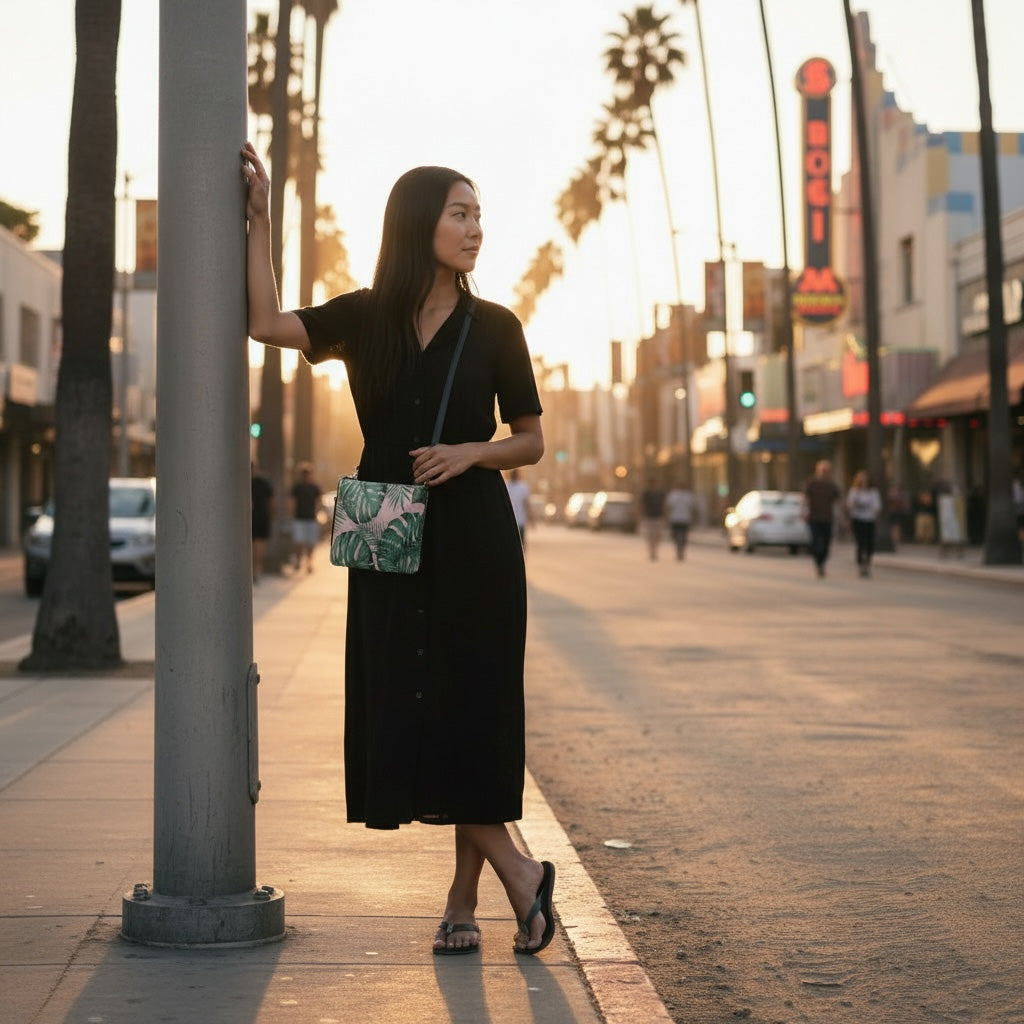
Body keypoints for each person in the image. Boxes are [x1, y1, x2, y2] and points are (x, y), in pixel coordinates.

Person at [241, 143, 555, 957]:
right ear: (420, 223)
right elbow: (266, 322)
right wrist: (261, 219)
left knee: (470, 713)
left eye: (479, 214)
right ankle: (518, 880)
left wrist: (468, 453)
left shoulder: (496, 327)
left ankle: (466, 901)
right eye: (460, 213)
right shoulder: (366, 315)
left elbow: (530, 442)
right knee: (408, 704)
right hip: (389, 535)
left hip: (476, 540)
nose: (475, 228)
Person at [803, 459, 841, 577]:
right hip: (814, 517)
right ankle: (817, 563)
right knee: (815, 542)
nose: (824, 472)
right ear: (817, 470)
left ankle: (822, 563)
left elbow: (838, 499)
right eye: (822, 470)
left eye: (826, 470)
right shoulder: (812, 483)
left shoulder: (832, 485)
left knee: (826, 542)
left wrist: (841, 515)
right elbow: (805, 498)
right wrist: (805, 511)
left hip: (827, 518)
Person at [845, 470, 882, 577]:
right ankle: (861, 565)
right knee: (860, 543)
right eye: (860, 478)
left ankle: (868, 563)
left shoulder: (873, 492)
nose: (863, 480)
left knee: (870, 543)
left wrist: (874, 512)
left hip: (870, 520)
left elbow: (877, 507)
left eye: (865, 478)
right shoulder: (854, 491)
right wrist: (855, 505)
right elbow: (849, 505)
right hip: (858, 519)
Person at [289, 461, 322, 573]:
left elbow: (319, 502)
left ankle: (309, 563)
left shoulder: (315, 487)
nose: (305, 475)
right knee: (299, 542)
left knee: (310, 543)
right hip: (299, 518)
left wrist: (319, 514)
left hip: (311, 518)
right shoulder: (296, 487)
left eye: (307, 473)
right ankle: (299, 561)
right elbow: (292, 502)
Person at [251, 462, 273, 583]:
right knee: (261, 545)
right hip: (263, 516)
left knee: (251, 546)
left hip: (249, 518)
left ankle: (253, 570)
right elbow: (271, 501)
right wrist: (271, 515)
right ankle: (257, 570)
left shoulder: (244, 481)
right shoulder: (264, 483)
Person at [664, 478, 696, 561]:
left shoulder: (687, 495)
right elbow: (669, 507)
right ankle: (679, 550)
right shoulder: (673, 495)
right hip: (676, 518)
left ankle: (680, 551)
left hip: (683, 518)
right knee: (676, 536)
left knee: (683, 536)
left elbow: (691, 508)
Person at [639, 477, 666, 560]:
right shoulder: (646, 493)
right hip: (648, 516)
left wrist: (665, 515)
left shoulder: (660, 493)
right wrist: (640, 515)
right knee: (650, 535)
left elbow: (664, 504)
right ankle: (652, 551)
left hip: (658, 516)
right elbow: (642, 505)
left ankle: (655, 550)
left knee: (657, 535)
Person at [505, 468, 531, 550]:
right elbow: (527, 505)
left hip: (509, 522)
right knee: (521, 546)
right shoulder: (523, 487)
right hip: (520, 522)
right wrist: (532, 519)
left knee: (509, 545)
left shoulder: (505, 486)